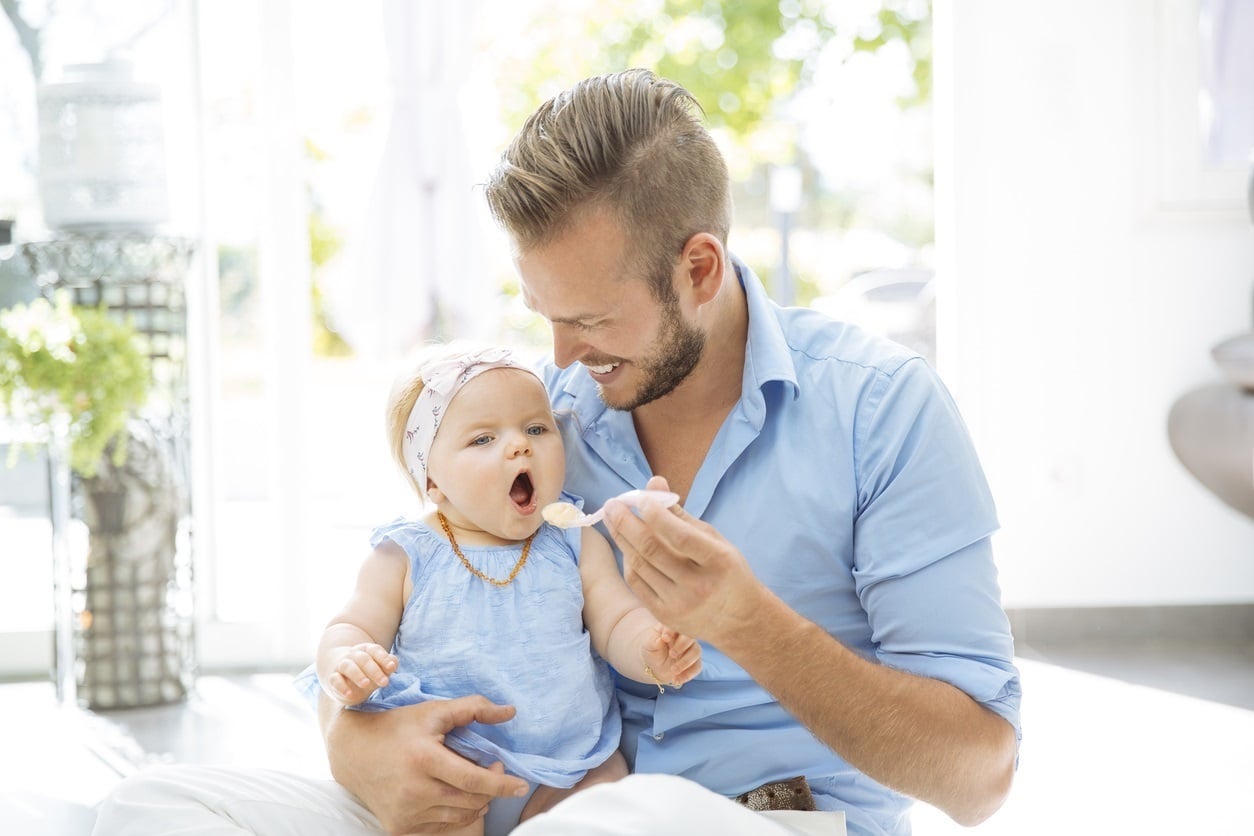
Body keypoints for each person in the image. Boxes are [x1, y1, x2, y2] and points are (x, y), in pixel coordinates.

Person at [92, 69, 1020, 836]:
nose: (565, 358)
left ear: (699, 269)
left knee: (619, 821)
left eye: (591, 319)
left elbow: (979, 778)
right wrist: (356, 744)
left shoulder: (881, 411)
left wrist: (746, 624)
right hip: (525, 801)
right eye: (547, 317)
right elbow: (403, 598)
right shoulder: (543, 423)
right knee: (154, 809)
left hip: (754, 818)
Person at [313, 342, 702, 835]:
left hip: (570, 765)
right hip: (452, 767)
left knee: (607, 797)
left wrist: (652, 650)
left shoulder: (574, 539)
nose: (519, 445)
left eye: (536, 429)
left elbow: (616, 619)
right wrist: (347, 661)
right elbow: (352, 624)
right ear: (432, 480)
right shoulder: (406, 553)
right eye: (482, 440)